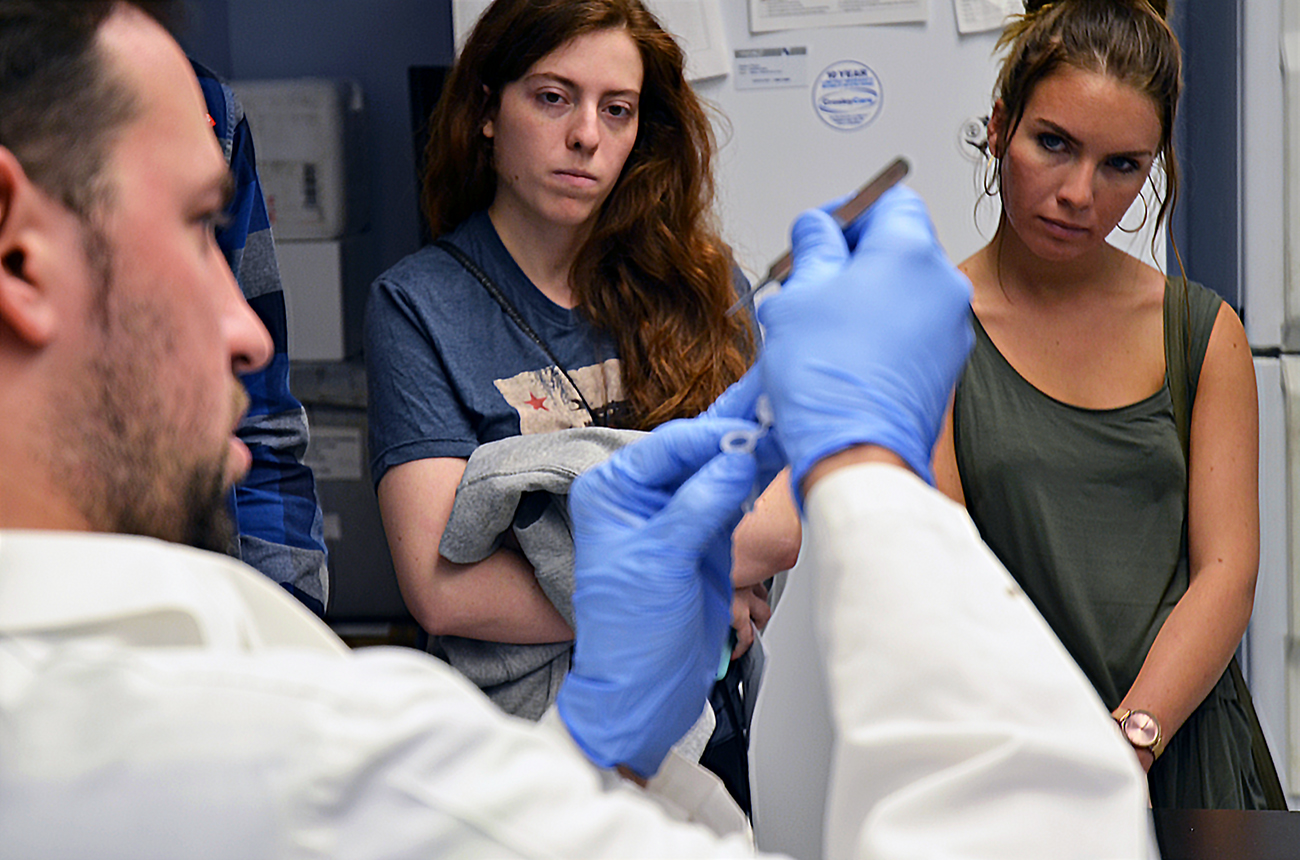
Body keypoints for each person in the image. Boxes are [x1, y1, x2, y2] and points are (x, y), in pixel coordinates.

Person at [0, 3, 1154, 855]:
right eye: (203, 223)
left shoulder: (225, 701)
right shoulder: (276, 743)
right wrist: (865, 460)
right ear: (17, 246)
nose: (248, 334)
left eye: (617, 109)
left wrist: (601, 738)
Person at [364, 0, 794, 726]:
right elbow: (446, 590)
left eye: (617, 109)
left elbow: (778, 526)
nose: (587, 136)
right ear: (488, 111)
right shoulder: (417, 305)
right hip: (518, 747)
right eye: (553, 98)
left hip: (699, 732)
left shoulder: (706, 287)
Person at [931, 0, 1264, 808]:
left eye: (1121, 165)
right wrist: (1060, 760)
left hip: (1185, 758)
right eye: (1054, 144)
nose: (1079, 192)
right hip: (1010, 769)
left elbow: (1228, 571)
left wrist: (1131, 742)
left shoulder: (1202, 331)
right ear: (998, 127)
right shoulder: (927, 324)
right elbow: (939, 577)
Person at [193, 58, 331, 616]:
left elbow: (262, 428)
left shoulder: (207, 107)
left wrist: (287, 634)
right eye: (184, 228)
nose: (252, 335)